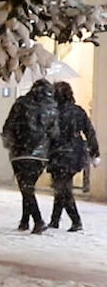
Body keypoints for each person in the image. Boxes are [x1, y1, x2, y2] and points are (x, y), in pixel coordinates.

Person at [0, 78, 57, 234]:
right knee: (28, 186)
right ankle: (25, 220)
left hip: (20, 151)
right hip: (41, 155)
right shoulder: (52, 107)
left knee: (26, 187)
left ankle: (38, 221)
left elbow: (9, 124)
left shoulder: (21, 103)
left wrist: (9, 138)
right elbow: (54, 133)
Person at [48, 81, 101, 231]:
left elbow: (47, 134)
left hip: (58, 154)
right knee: (62, 185)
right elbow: (89, 132)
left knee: (62, 188)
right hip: (75, 154)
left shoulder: (52, 112)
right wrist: (95, 152)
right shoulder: (78, 111)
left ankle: (76, 221)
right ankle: (54, 220)